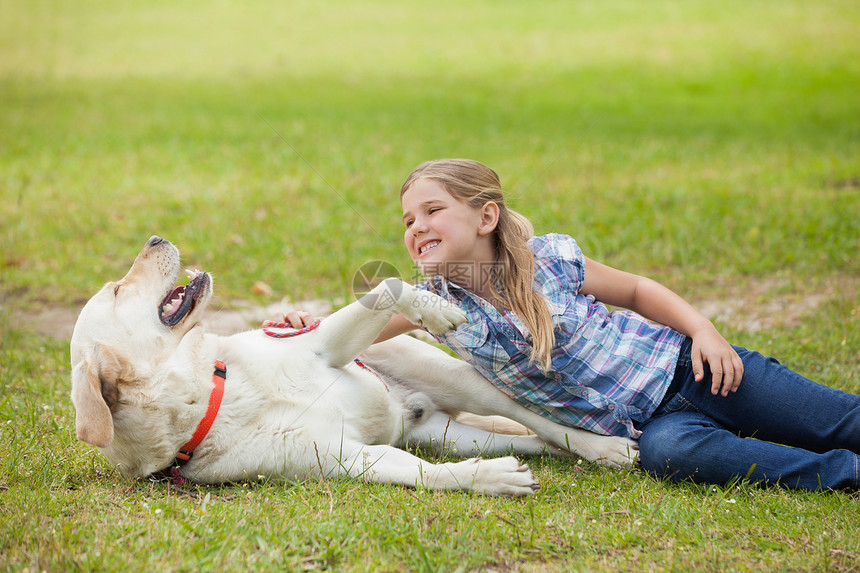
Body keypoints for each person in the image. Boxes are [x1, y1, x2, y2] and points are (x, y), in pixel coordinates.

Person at [281, 158, 860, 491]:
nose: (416, 226)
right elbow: (355, 331)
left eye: (433, 211)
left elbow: (635, 289)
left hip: (692, 370)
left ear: (486, 216)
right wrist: (308, 323)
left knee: (834, 417)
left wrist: (704, 331)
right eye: (408, 219)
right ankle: (843, 474)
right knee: (674, 457)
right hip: (646, 428)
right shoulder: (432, 305)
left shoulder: (548, 259)